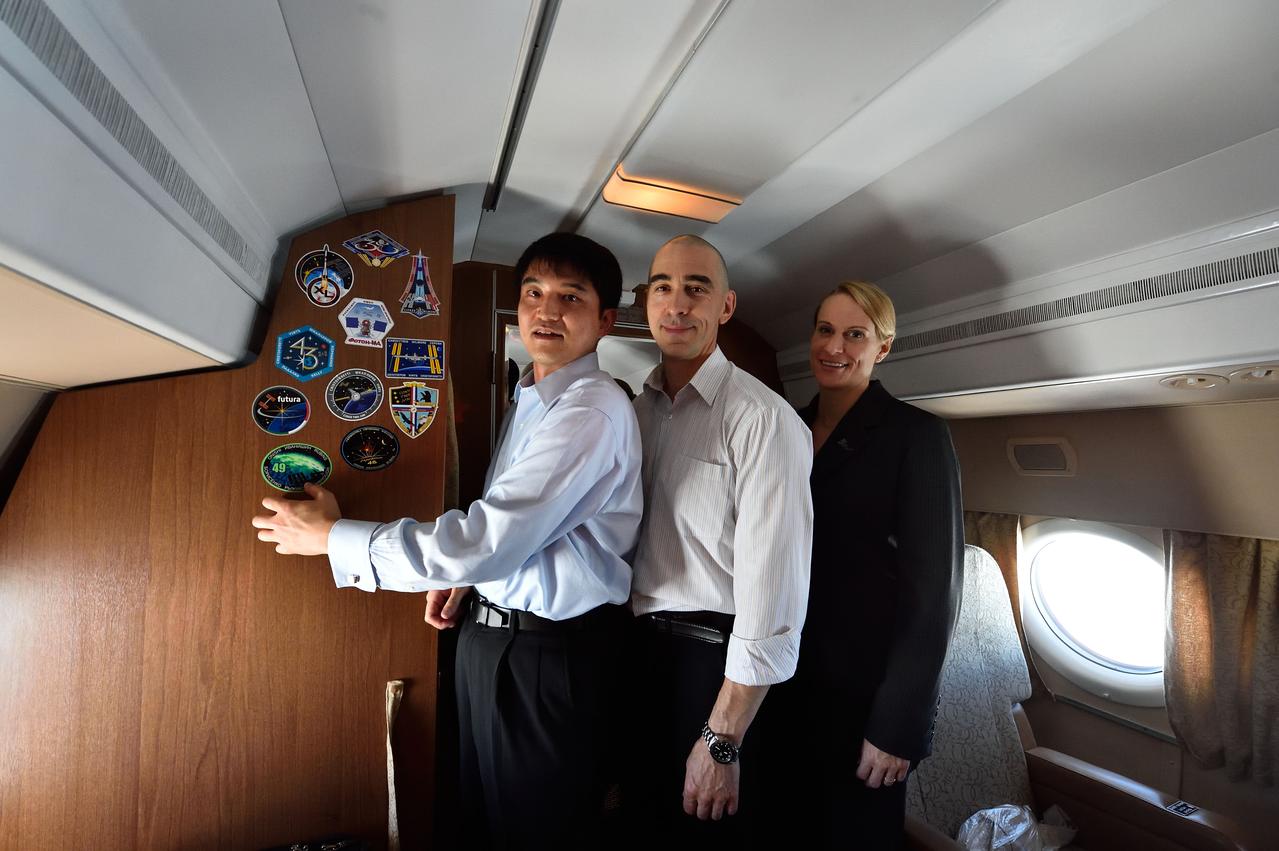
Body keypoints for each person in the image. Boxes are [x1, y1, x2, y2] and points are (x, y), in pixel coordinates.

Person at [252, 232, 643, 849]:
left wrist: (334, 539)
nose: (547, 310)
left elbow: (491, 538)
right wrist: (466, 580)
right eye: (534, 292)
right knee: (480, 822)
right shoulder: (536, 398)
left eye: (571, 297)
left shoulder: (590, 410)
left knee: (535, 829)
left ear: (605, 320)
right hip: (494, 641)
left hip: (545, 659)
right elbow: (513, 529)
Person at [758, 280, 963, 848]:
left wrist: (898, 726)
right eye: (825, 330)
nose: (835, 347)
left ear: (883, 348)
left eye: (855, 335)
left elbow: (934, 596)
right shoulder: (783, 430)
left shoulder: (916, 437)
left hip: (862, 701)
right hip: (778, 683)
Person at [623, 234, 813, 842]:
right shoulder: (635, 411)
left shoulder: (762, 419)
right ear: (646, 304)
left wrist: (721, 741)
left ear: (725, 308)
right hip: (638, 654)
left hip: (715, 668)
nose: (677, 305)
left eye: (695, 289)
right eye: (663, 288)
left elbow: (773, 597)